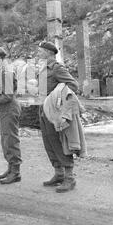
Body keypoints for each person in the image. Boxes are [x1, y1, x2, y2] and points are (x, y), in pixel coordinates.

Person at [37, 41, 79, 193]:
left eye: (40, 51)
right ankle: (59, 173)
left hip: (54, 111)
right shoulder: (43, 69)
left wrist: (56, 98)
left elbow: (73, 85)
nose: (38, 54)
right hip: (43, 110)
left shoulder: (57, 68)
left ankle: (69, 178)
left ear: (48, 53)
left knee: (60, 143)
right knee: (49, 142)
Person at [0, 46, 22, 184]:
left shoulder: (7, 71)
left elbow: (8, 95)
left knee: (10, 139)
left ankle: (15, 172)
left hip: (9, 107)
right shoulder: (1, 71)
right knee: (5, 139)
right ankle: (10, 168)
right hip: (4, 108)